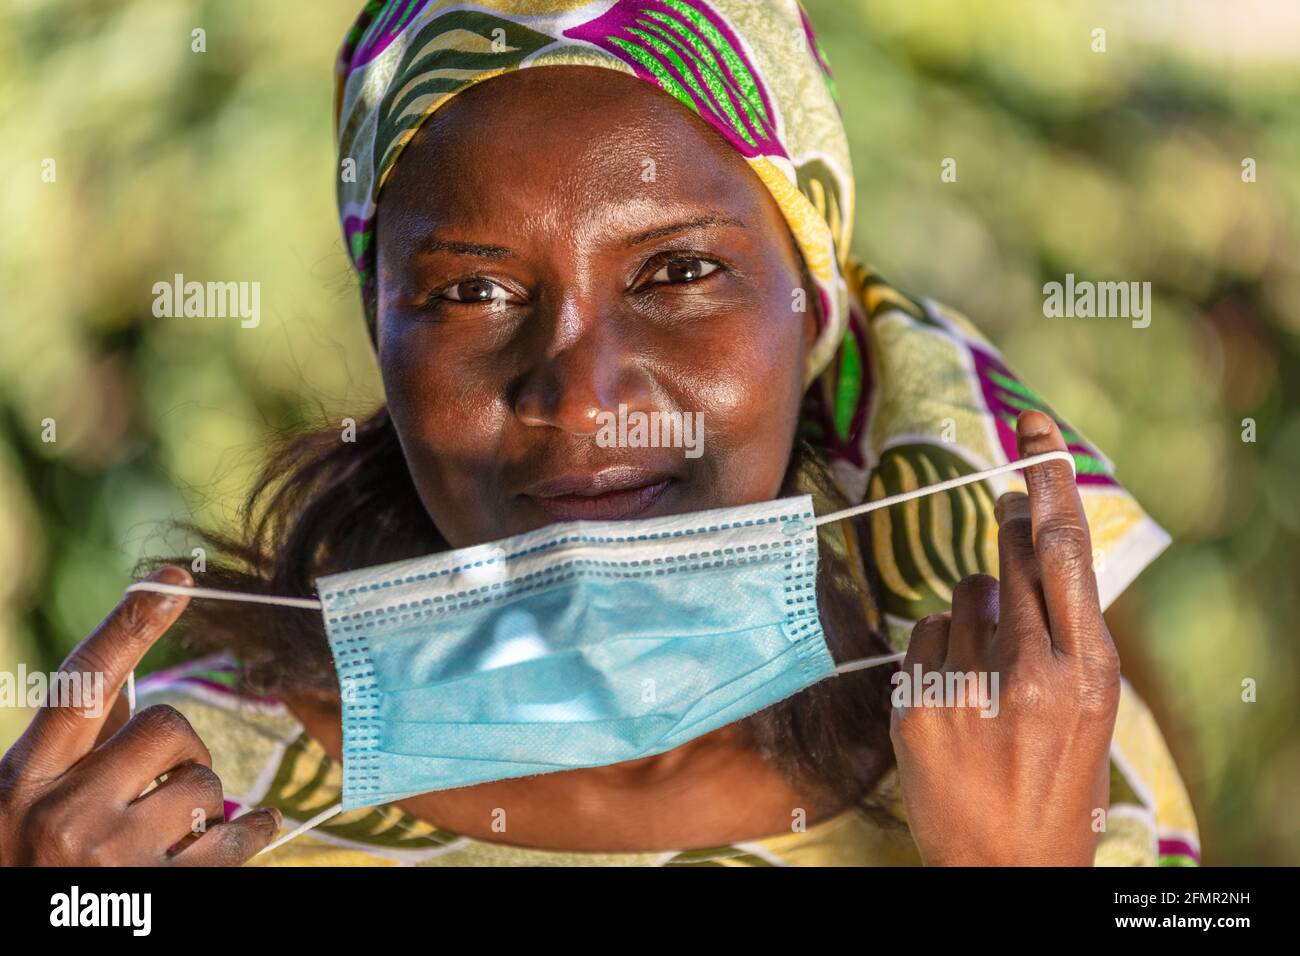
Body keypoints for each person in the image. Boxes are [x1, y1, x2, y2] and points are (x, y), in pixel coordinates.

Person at [0, 0, 1199, 866]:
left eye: (677, 271)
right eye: (472, 293)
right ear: (383, 340)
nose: (581, 399)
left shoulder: (1045, 760)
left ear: (809, 306)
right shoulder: (154, 817)